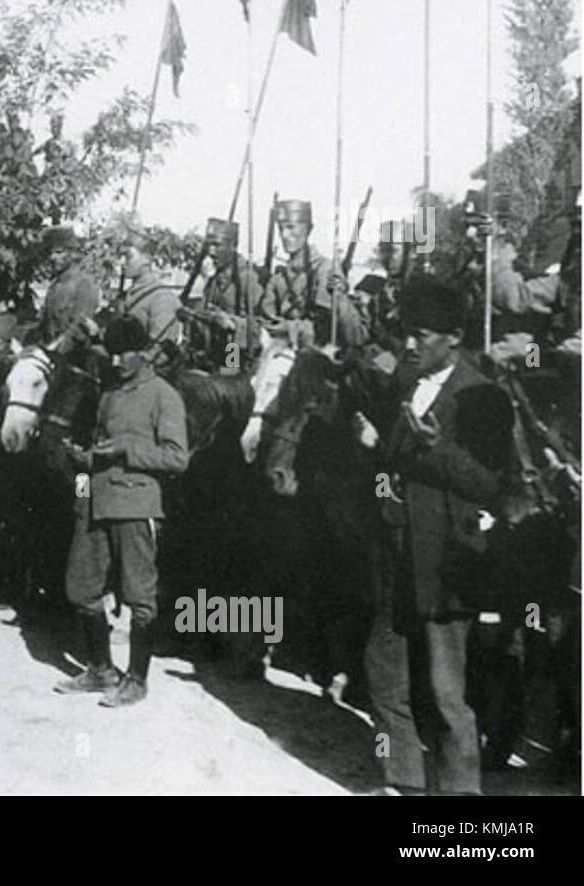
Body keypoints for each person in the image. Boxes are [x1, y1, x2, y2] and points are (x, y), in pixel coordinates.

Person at [355, 275, 513, 795]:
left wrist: (436, 449)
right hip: (397, 561)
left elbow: (490, 484)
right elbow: (392, 466)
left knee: (447, 696)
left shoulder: (483, 396)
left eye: (422, 335)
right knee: (384, 676)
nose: (409, 344)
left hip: (447, 565)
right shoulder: (406, 384)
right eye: (406, 332)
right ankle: (403, 781)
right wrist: (378, 453)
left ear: (454, 338)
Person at [55, 315, 189, 708]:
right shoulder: (109, 394)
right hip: (94, 503)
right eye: (112, 353)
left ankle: (137, 679)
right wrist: (81, 471)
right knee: (81, 587)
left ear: (145, 353)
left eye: (124, 354)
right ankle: (101, 669)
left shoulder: (163, 395)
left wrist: (124, 450)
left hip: (135, 504)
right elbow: (96, 448)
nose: (115, 362)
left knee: (139, 595)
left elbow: (177, 457)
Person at [258, 199, 368, 347]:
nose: (284, 235)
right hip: (286, 347)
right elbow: (267, 322)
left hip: (319, 355)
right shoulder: (279, 278)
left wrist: (288, 328)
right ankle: (230, 368)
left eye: (291, 227)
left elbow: (324, 330)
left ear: (309, 229)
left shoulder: (325, 269)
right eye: (280, 229)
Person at [193, 217, 264, 363]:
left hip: (236, 352)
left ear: (233, 245)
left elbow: (262, 326)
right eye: (209, 245)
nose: (211, 252)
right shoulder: (215, 277)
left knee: (227, 379)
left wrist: (232, 323)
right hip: (213, 351)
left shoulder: (248, 278)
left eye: (217, 245)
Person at [40, 225, 100, 344]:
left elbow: (79, 331)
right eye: (50, 253)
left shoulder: (84, 284)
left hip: (74, 357)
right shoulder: (55, 285)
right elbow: (45, 326)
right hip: (51, 354)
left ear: (72, 253)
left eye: (59, 252)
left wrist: (52, 350)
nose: (52, 257)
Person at [121, 235, 183, 349]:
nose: (122, 262)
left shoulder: (161, 298)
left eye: (128, 257)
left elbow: (161, 351)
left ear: (146, 259)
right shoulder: (129, 293)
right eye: (121, 256)